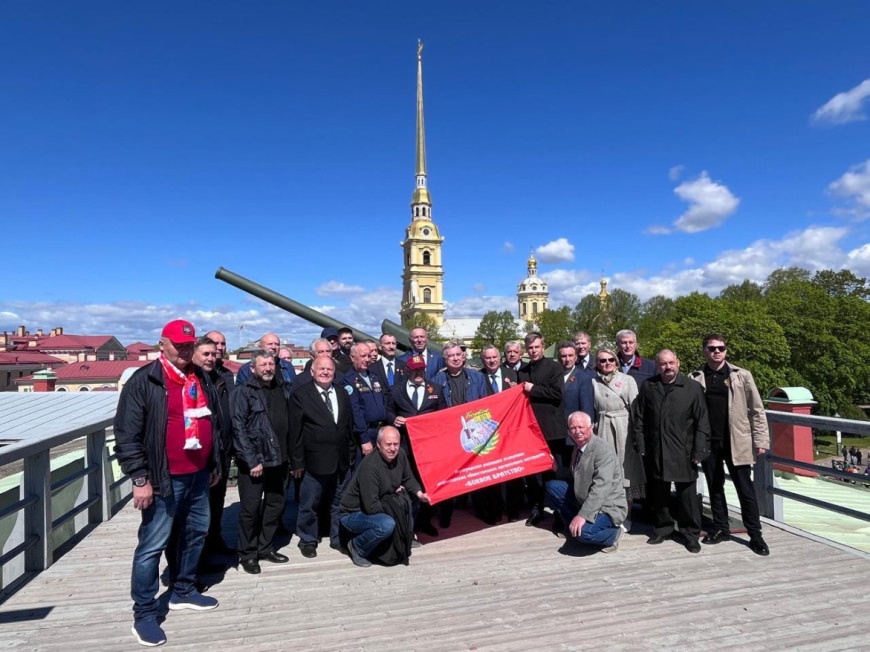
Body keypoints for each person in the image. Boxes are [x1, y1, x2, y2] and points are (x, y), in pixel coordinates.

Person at [114, 319, 221, 647]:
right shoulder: (145, 380)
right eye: (179, 345)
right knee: (152, 545)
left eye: (189, 345)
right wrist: (140, 479)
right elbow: (127, 435)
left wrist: (213, 462)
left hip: (198, 474)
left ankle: (183, 590)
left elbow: (212, 422)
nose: (185, 351)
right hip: (163, 479)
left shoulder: (199, 376)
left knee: (196, 533)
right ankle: (145, 613)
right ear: (162, 344)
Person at [689, 334, 770, 556]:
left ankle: (755, 535)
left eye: (721, 348)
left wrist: (761, 440)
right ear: (704, 350)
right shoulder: (696, 377)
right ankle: (721, 528)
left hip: (737, 440)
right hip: (709, 441)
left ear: (726, 350)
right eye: (712, 348)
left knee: (745, 489)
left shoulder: (741, 376)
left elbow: (757, 410)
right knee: (715, 487)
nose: (717, 351)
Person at [633, 350, 710, 553]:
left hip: (683, 450)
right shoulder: (649, 386)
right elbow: (639, 418)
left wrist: (699, 450)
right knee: (658, 493)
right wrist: (641, 445)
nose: (667, 367)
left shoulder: (692, 388)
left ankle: (690, 534)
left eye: (671, 363)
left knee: (687, 496)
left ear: (678, 363)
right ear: (657, 366)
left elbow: (702, 421)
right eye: (663, 364)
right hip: (656, 449)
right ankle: (663, 528)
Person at [231, 350, 292, 574]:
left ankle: (265, 547)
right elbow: (238, 428)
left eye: (270, 364)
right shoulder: (243, 392)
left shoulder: (283, 388)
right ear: (253, 368)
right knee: (251, 509)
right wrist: (251, 460)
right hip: (255, 463)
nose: (268, 368)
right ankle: (248, 554)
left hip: (280, 460)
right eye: (263, 365)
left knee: (275, 505)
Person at [290, 356, 356, 558]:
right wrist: (297, 462)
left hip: (341, 461)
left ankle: (337, 538)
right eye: (321, 369)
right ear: (312, 372)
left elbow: (348, 425)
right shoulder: (301, 395)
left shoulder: (342, 392)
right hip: (313, 462)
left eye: (329, 369)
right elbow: (295, 432)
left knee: (339, 503)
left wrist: (350, 454)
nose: (326, 372)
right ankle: (308, 539)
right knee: (309, 505)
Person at [339, 426, 432, 567]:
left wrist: (420, 494)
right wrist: (395, 504)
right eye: (388, 444)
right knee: (386, 524)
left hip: (380, 502)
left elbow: (408, 478)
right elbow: (371, 507)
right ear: (378, 444)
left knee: (408, 501)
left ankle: (404, 538)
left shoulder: (400, 455)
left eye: (396, 444)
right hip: (353, 513)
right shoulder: (370, 466)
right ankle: (357, 546)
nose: (392, 448)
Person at [580, 347, 645, 532]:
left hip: (624, 428)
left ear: (616, 362)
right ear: (597, 364)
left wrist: (637, 435)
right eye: (602, 360)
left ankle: (626, 515)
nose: (607, 363)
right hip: (603, 427)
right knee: (605, 471)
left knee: (626, 473)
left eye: (610, 360)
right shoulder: (593, 382)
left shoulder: (627, 380)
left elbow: (636, 409)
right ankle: (607, 514)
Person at [544, 412, 627, 552]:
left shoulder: (602, 450)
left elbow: (601, 488)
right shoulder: (578, 448)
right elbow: (577, 475)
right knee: (553, 487)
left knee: (584, 534)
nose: (577, 431)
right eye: (573, 428)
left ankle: (614, 534)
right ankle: (572, 526)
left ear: (591, 427)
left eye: (581, 427)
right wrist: (558, 469)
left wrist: (583, 515)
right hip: (584, 498)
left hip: (607, 506)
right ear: (568, 431)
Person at [386, 354, 447, 535]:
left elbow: (443, 415)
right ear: (407, 370)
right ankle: (407, 524)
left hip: (428, 448)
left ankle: (425, 521)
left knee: (427, 485)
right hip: (405, 447)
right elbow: (388, 411)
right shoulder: (396, 390)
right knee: (405, 485)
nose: (418, 373)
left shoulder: (436, 389)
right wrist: (394, 419)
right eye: (415, 370)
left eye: (421, 369)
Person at [431, 339, 487, 527]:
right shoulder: (437, 381)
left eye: (458, 355)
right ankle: (446, 514)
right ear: (445, 359)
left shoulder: (477, 377)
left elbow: (485, 403)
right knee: (449, 475)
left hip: (474, 432)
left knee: (477, 473)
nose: (455, 358)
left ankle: (482, 510)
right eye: (451, 356)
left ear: (463, 357)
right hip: (449, 434)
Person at [193, 335, 236, 557]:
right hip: (200, 453)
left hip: (223, 449)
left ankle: (215, 541)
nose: (217, 350)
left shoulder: (225, 376)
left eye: (221, 345)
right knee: (199, 506)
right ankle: (199, 556)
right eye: (209, 350)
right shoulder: (194, 378)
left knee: (217, 500)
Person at [518, 332, 566, 527]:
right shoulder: (522, 370)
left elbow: (557, 393)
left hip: (552, 429)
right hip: (531, 430)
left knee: (554, 473)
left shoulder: (554, 367)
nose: (533, 351)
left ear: (543, 347)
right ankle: (537, 509)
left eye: (537, 347)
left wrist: (533, 389)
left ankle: (560, 513)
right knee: (533, 475)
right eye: (530, 348)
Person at [343, 342, 391, 459]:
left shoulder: (374, 376)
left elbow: (384, 401)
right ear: (352, 357)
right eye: (363, 356)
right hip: (366, 433)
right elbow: (355, 411)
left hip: (380, 430)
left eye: (369, 356)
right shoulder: (348, 380)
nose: (367, 359)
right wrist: (364, 439)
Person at [557, 341, 595, 420]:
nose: (567, 359)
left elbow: (587, 408)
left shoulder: (583, 378)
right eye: (564, 356)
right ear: (559, 358)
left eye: (570, 355)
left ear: (576, 357)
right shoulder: (553, 376)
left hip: (573, 424)